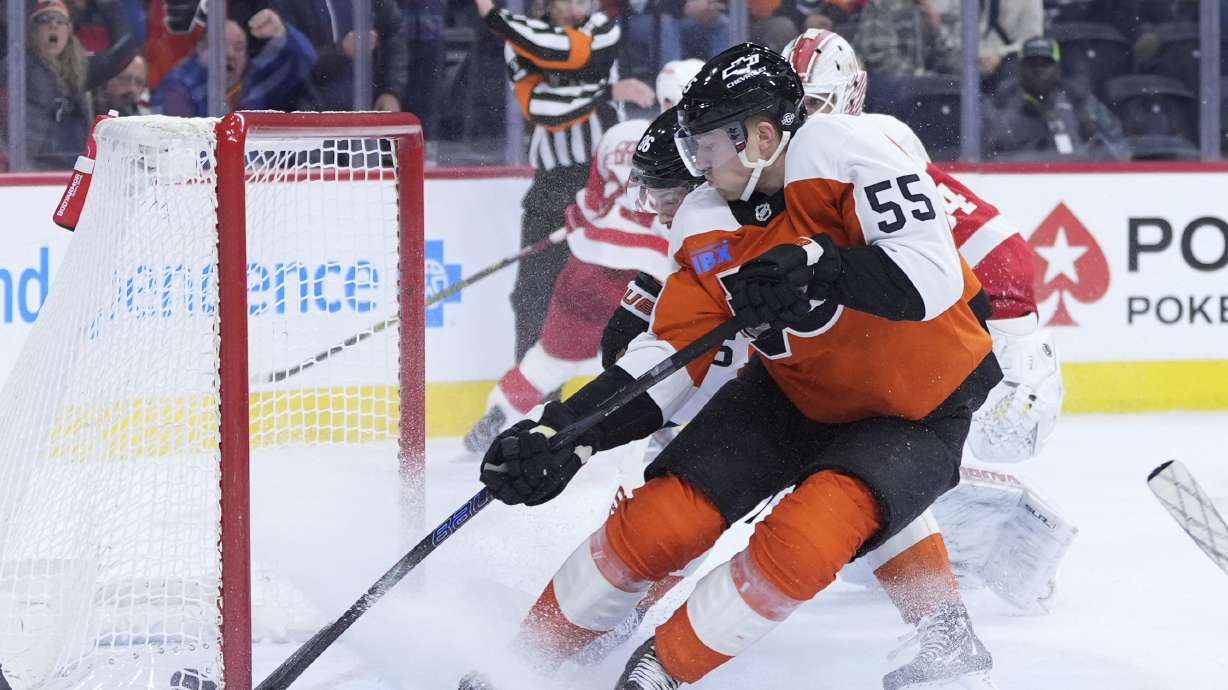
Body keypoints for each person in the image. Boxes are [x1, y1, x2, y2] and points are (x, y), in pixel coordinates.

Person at [469, 43, 1001, 689]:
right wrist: (571, 431)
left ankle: (660, 672)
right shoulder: (702, 220)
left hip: (917, 402)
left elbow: (930, 275)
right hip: (791, 392)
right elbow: (671, 355)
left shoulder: (848, 149)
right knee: (662, 520)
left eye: (705, 146)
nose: (695, 165)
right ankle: (521, 662)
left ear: (762, 136)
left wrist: (821, 265)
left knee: (813, 531)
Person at [782, 28, 1073, 624]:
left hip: (976, 310)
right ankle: (944, 531)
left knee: (923, 441)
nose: (801, 120)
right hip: (961, 299)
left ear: (848, 96)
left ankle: (974, 532)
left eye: (813, 103)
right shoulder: (846, 146)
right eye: (793, 106)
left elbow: (955, 253)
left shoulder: (865, 142)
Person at [460, 61, 703, 456]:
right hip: (647, 279)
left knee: (551, 357)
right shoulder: (701, 154)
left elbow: (590, 202)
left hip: (586, 268)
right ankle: (658, 429)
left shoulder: (619, 135)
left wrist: (577, 220)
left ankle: (498, 416)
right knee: (655, 357)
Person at [475, 0, 655, 366]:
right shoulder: (521, 43)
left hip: (608, 185)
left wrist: (496, 18)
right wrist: (607, 92)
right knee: (533, 295)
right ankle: (533, 397)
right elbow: (545, 107)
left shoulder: (604, 29)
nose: (577, 8)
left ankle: (632, 384)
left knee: (632, 295)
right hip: (552, 187)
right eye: (567, 0)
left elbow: (578, 58)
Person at [3, 0, 140, 170]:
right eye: (44, 20)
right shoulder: (16, 68)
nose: (53, 25)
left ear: (69, 32)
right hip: (30, 168)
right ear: (33, 31)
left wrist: (107, 4)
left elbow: (125, 51)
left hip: (71, 169)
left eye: (60, 21)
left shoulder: (78, 71)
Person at [982, 36, 1130, 162]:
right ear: (1020, 69)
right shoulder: (998, 107)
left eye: (1045, 63)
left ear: (1058, 70)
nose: (1038, 70)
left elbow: (1116, 149)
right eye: (1032, 63)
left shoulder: (1081, 101)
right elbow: (986, 158)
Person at [153, 12, 316, 117]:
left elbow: (305, 59)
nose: (230, 54)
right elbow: (180, 148)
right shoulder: (179, 87)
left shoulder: (251, 80)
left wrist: (282, 31)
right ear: (201, 48)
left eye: (239, 48)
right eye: (222, 45)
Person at [269, 0, 407, 111]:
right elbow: (287, 59)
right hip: (311, 114)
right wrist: (341, 52)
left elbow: (393, 34)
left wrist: (391, 92)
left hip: (368, 109)